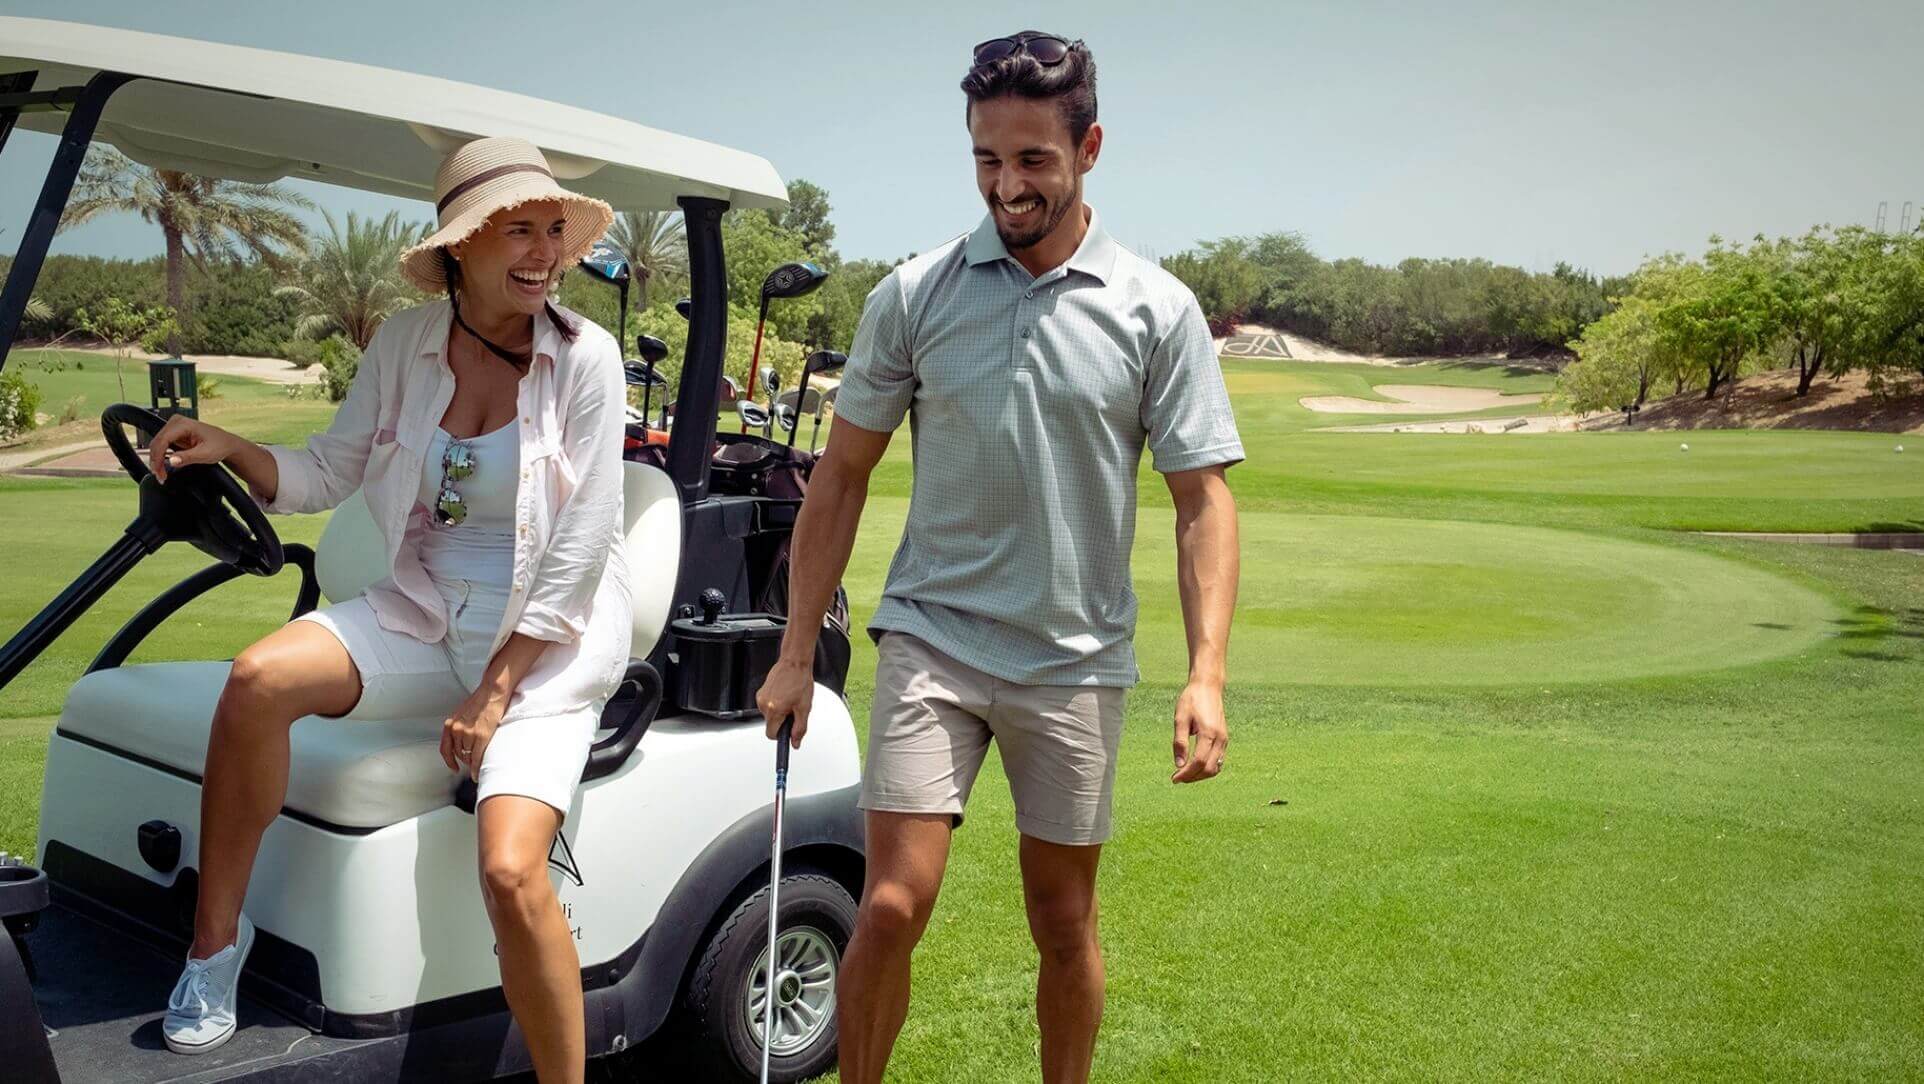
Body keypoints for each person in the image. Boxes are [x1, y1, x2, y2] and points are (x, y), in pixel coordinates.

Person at [754, 31, 1244, 1084]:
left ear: (1089, 148)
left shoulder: (1156, 310)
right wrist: (795, 653)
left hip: (1074, 657)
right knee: (892, 902)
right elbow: (840, 477)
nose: (1006, 184)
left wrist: (1205, 672)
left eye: (1032, 160)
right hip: (934, 637)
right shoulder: (915, 293)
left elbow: (1201, 499)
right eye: (986, 158)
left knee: (1063, 918)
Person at [144, 137, 632, 1084]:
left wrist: (494, 692)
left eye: (553, 231)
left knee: (510, 871)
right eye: (518, 232)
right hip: (425, 611)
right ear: (460, 247)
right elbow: (331, 468)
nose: (544, 253)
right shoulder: (407, 344)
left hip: (546, 651)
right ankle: (213, 951)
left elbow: (579, 548)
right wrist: (231, 445)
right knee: (256, 679)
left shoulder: (586, 359)